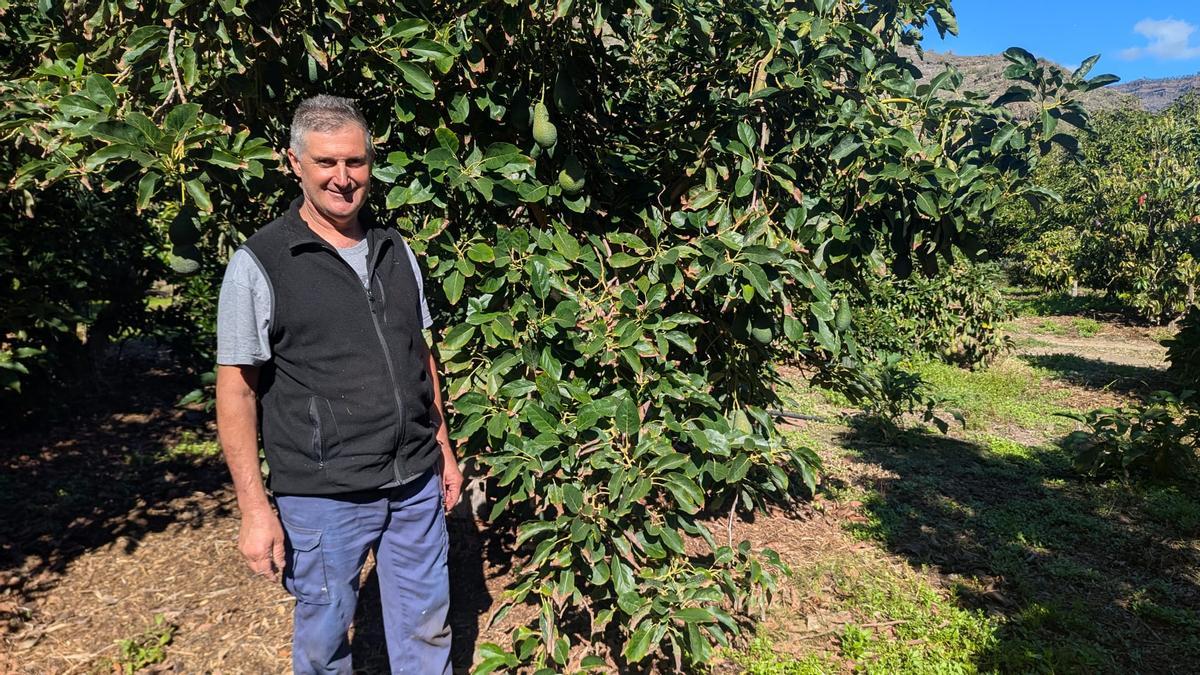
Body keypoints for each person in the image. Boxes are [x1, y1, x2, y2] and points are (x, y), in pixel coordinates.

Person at [215, 94, 462, 674]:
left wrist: (443, 449)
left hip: (413, 482)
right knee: (324, 644)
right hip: (324, 495)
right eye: (326, 162)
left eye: (355, 161)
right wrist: (254, 509)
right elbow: (237, 392)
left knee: (427, 626)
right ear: (294, 163)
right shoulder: (261, 263)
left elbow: (420, 356)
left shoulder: (395, 250)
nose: (342, 178)